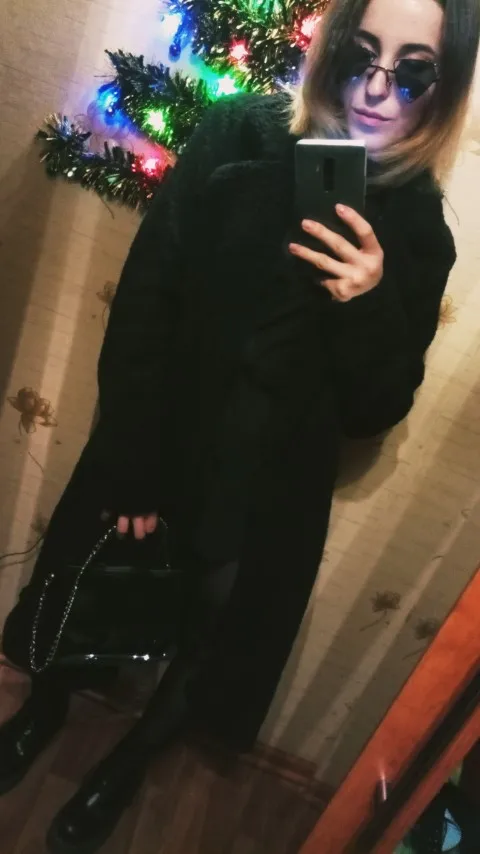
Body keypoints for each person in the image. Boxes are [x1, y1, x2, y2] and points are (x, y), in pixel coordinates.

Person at [1, 0, 479, 851]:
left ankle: (128, 764)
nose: (376, 90)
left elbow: (376, 408)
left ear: (443, 92)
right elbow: (146, 301)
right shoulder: (238, 134)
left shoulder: (418, 230)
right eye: (361, 55)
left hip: (269, 488)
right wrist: (135, 462)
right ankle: (43, 710)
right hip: (161, 438)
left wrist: (369, 302)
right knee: (86, 586)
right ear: (333, 49)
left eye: (412, 74)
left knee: (209, 639)